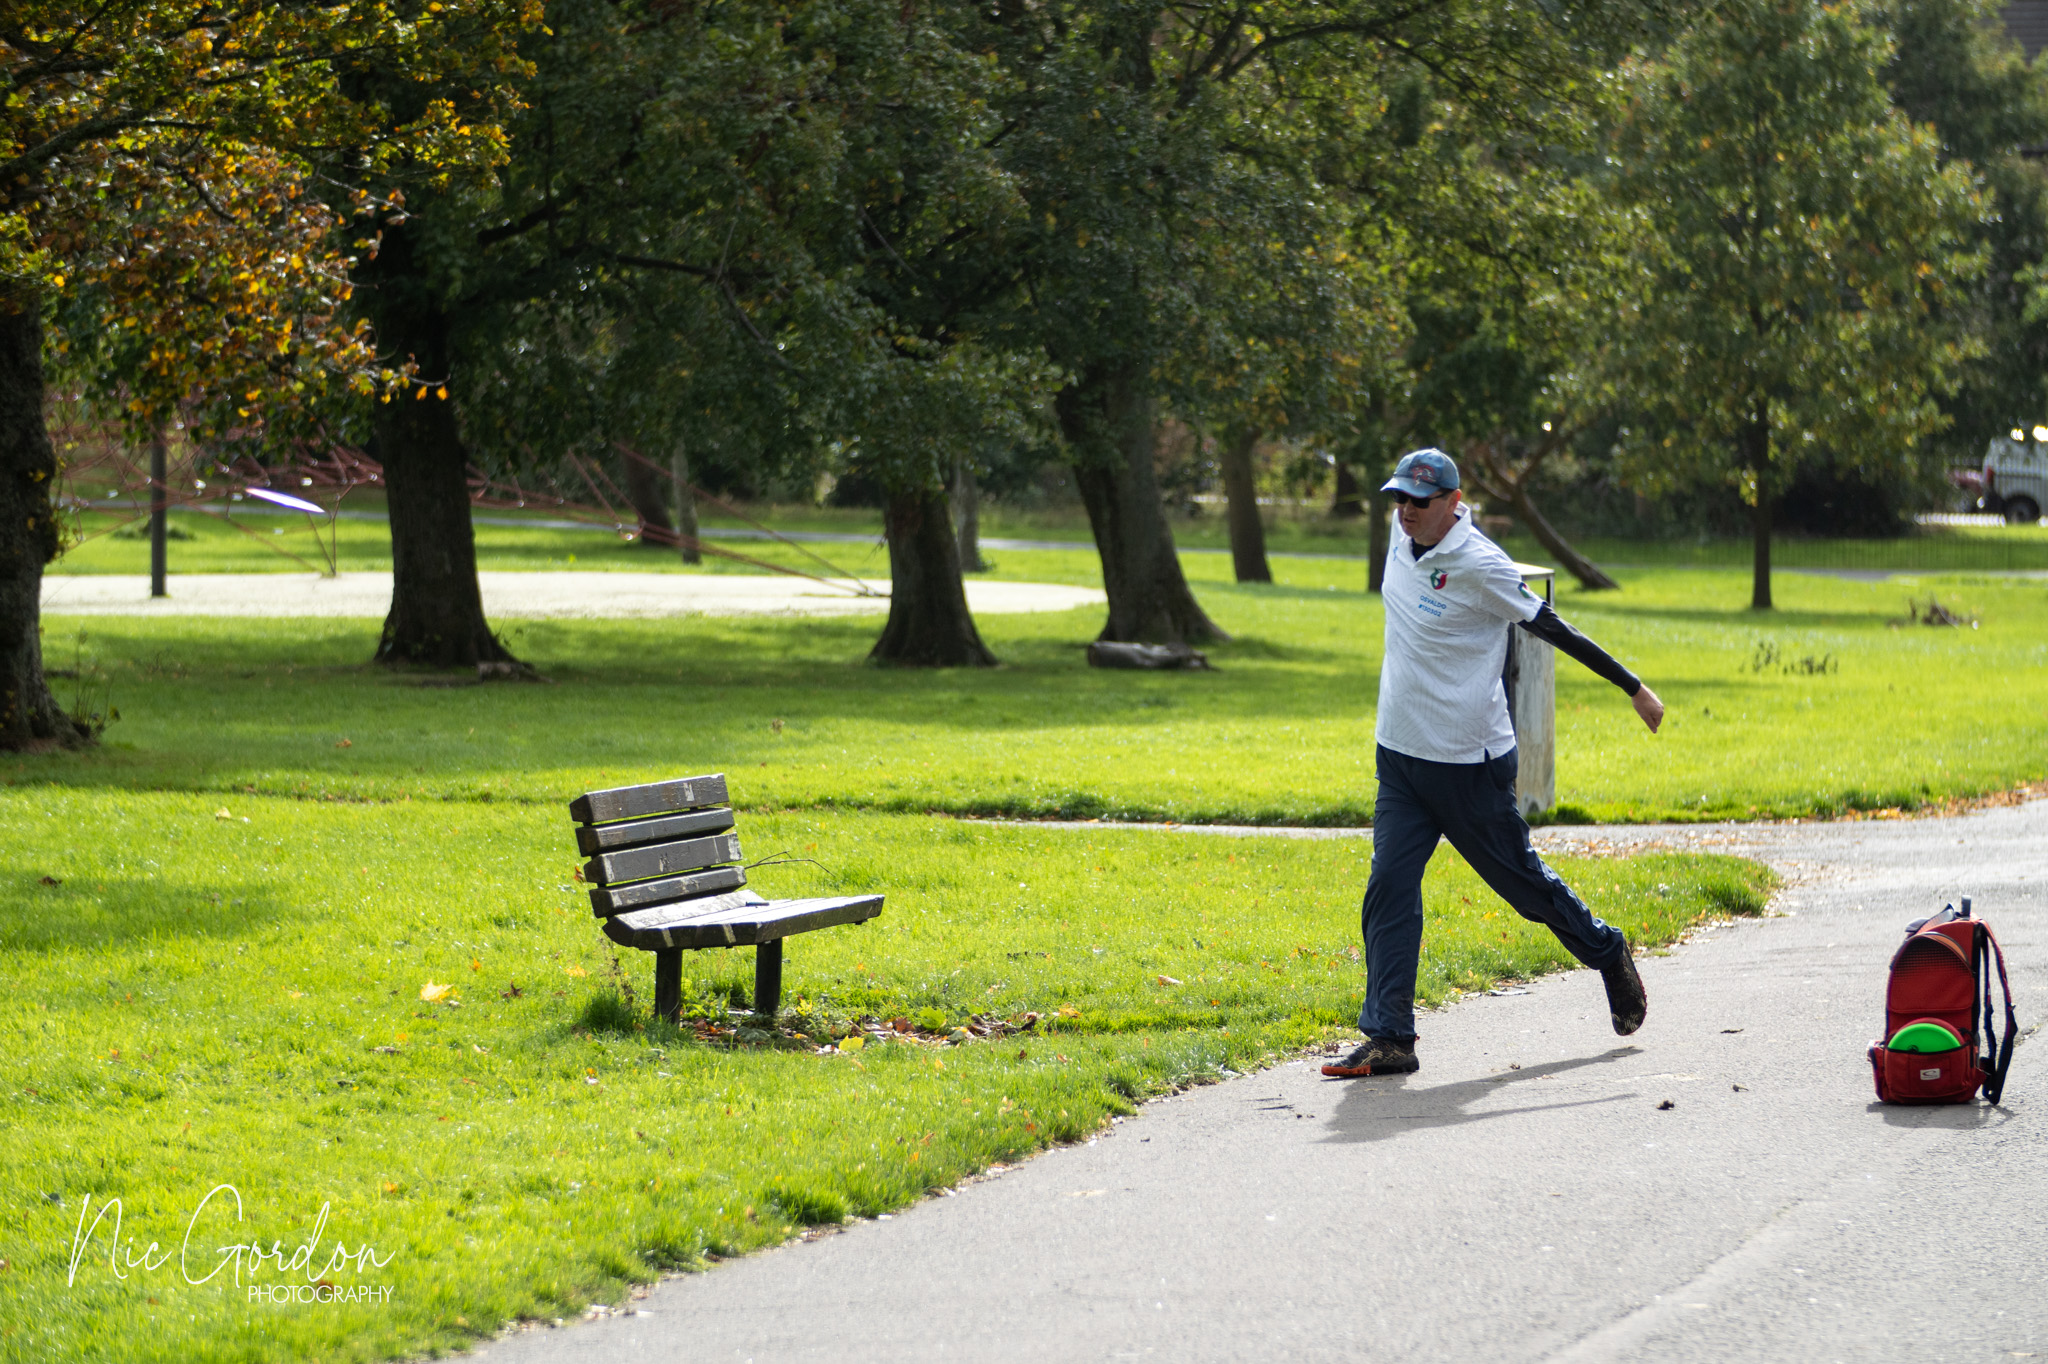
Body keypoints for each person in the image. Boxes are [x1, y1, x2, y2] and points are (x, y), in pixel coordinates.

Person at [1322, 448, 1664, 1079]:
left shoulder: (1481, 565)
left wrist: (1633, 688)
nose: (1404, 512)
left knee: (1523, 886)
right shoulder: (1403, 544)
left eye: (1418, 502)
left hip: (1467, 764)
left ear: (1453, 504)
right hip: (1399, 755)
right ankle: (1392, 1036)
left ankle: (1606, 949)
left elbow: (1552, 627)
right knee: (1389, 887)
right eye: (1398, 499)